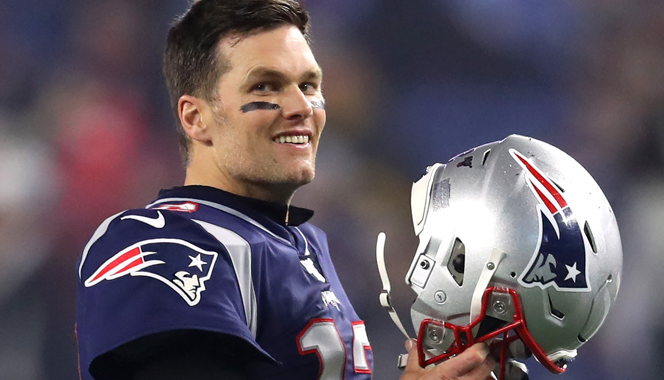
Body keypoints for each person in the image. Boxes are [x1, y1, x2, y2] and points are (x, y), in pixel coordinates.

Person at [75, 1, 497, 379]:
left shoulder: (308, 245)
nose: (301, 107)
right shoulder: (159, 241)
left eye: (309, 85)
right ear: (196, 118)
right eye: (265, 87)